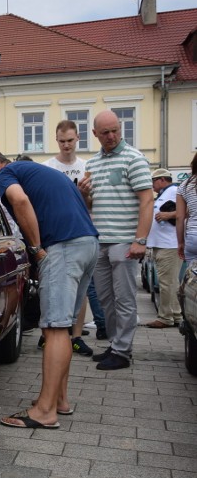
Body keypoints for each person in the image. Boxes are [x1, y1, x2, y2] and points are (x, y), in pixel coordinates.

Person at [0, 149, 98, 429]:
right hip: (88, 243)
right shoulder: (43, 172)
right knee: (63, 328)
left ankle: (44, 411)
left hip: (63, 247)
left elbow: (19, 200)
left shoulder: (8, 173)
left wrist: (36, 248)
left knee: (54, 328)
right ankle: (59, 401)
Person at [78, 110, 153, 371]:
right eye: (106, 132)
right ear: (95, 134)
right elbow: (91, 205)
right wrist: (84, 194)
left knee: (125, 299)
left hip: (124, 240)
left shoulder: (134, 158)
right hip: (101, 240)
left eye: (115, 130)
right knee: (106, 299)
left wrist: (140, 240)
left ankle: (122, 351)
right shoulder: (93, 164)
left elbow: (147, 200)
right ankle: (115, 343)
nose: (112, 136)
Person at [41, 120, 100, 354]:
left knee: (80, 288)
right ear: (57, 141)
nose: (66, 145)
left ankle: (76, 335)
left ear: (78, 139)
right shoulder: (48, 167)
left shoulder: (87, 167)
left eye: (70, 140)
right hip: (55, 234)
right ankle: (50, 334)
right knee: (50, 285)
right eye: (62, 141)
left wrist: (85, 194)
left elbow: (91, 206)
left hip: (81, 232)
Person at [145, 169, 182, 328]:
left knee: (166, 283)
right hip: (163, 244)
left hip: (169, 244)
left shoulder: (174, 190)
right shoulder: (166, 193)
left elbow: (187, 210)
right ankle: (176, 315)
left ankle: (165, 317)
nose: (152, 185)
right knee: (171, 282)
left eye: (153, 181)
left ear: (161, 180)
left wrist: (168, 215)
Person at [177, 152, 197, 264]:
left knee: (193, 277)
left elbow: (180, 217)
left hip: (193, 237)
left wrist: (180, 242)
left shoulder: (184, 185)